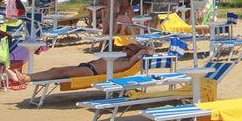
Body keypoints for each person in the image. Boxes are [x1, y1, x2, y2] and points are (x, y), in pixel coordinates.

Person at [13, 43, 150, 83]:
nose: (124, 48)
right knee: (56, 70)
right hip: (87, 67)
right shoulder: (120, 57)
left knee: (58, 72)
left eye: (128, 48)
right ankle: (27, 76)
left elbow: (146, 51)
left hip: (90, 71)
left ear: (134, 52)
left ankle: (26, 78)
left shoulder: (127, 62)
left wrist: (142, 50)